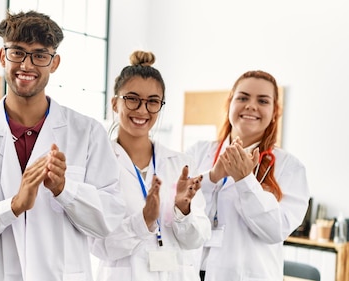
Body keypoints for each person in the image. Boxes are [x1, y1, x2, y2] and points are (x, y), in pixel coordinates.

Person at [0, 10, 125, 280]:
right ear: (2, 57)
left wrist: (65, 190)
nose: (27, 65)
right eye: (17, 52)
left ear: (54, 63)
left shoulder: (87, 132)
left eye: (40, 55)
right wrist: (11, 207)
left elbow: (110, 219)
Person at [89, 50, 210, 281]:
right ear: (115, 103)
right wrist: (143, 220)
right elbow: (97, 246)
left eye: (153, 102)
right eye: (132, 98)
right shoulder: (98, 165)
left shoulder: (182, 165)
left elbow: (197, 239)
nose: (143, 110)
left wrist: (182, 210)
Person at [186, 70, 310, 280]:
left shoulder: (290, 168)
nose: (251, 106)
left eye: (263, 101)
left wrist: (245, 181)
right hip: (191, 272)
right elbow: (176, 213)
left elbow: (275, 230)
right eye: (243, 97)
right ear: (230, 103)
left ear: (274, 112)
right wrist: (212, 177)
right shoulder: (198, 152)